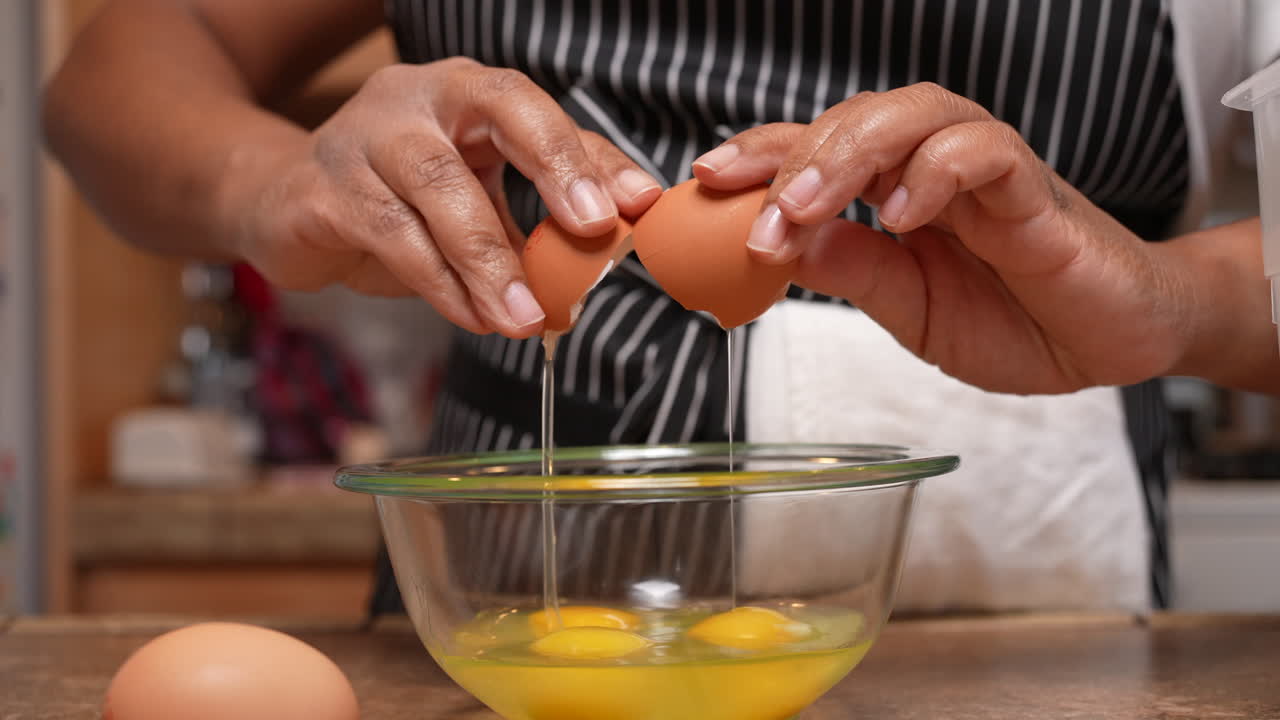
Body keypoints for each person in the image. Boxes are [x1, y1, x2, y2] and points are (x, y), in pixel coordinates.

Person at [43, 0, 1277, 613]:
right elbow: (118, 68)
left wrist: (1176, 304)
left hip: (1034, 596)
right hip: (513, 613)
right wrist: (267, 183)